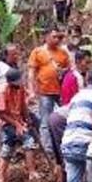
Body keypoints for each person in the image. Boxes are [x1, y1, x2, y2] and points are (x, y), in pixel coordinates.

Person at [27, 27, 71, 156]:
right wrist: (31, 90)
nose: (56, 39)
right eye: (53, 37)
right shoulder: (38, 52)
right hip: (45, 91)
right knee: (45, 120)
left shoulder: (63, 53)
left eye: (58, 37)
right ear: (46, 37)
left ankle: (64, 143)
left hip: (61, 91)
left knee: (65, 116)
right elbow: (31, 72)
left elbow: (69, 70)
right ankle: (49, 151)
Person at [0, 68, 38, 182]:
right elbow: (1, 113)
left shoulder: (21, 88)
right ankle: (1, 179)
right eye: (19, 81)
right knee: (8, 149)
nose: (21, 82)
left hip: (19, 120)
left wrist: (27, 118)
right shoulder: (2, 91)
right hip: (7, 123)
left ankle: (32, 172)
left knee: (29, 142)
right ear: (11, 82)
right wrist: (17, 124)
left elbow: (23, 105)